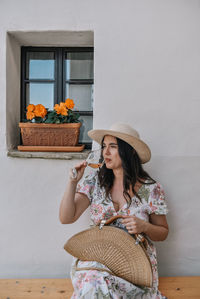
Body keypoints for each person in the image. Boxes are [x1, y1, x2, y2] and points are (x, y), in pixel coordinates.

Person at [59, 122, 169, 299]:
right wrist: (73, 182)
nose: (105, 153)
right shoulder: (95, 182)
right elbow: (66, 217)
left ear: (130, 151)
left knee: (98, 287)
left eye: (112, 147)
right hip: (96, 259)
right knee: (95, 282)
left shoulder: (152, 189)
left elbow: (163, 232)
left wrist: (144, 227)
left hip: (134, 266)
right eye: (103, 147)